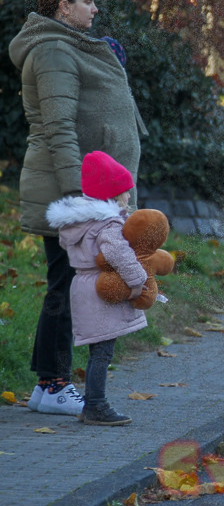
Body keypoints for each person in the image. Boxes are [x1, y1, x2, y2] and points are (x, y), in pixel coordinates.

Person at [8, 0, 146, 416]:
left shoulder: (71, 44)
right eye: (87, 1)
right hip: (69, 191)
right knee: (68, 286)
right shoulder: (52, 50)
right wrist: (80, 199)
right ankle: (52, 384)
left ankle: (49, 384)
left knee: (68, 284)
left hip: (88, 193)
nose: (95, 8)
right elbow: (57, 127)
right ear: (63, 7)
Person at [44, 152, 149, 425]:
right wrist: (139, 281)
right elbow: (119, 254)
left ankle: (93, 404)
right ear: (112, 195)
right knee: (103, 352)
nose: (128, 198)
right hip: (101, 288)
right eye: (125, 193)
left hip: (80, 284)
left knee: (97, 351)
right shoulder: (108, 223)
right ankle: (96, 405)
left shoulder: (77, 222)